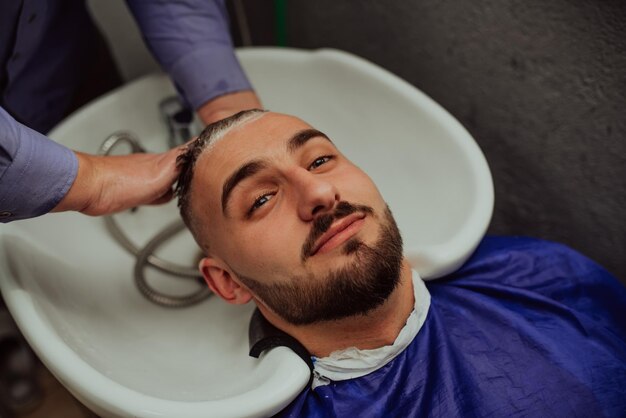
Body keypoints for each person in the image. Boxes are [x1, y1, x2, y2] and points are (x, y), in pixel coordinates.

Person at [175, 109, 626, 417]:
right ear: (228, 282)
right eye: (262, 198)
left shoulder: (541, 276)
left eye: (320, 159)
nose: (318, 193)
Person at [0, 1, 261, 223]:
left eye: (305, 164)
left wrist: (224, 105)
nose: (304, 191)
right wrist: (93, 183)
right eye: (262, 200)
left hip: (62, 60)